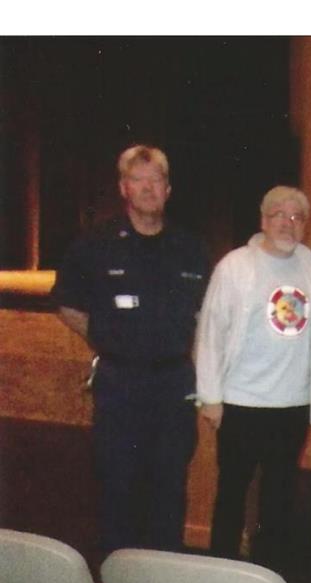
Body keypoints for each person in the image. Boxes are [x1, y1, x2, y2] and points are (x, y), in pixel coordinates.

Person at [52, 144, 209, 555]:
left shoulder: (191, 248)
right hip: (120, 384)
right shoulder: (95, 245)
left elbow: (206, 314)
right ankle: (115, 581)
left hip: (173, 385)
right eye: (138, 180)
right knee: (118, 487)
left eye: (156, 180)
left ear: (168, 189)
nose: (148, 188)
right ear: (123, 188)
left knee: (169, 487)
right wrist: (105, 337)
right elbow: (67, 303)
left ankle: (162, 580)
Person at [195, 185, 311, 574]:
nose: (287, 223)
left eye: (296, 217)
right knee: (232, 492)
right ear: (263, 219)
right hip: (240, 402)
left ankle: (267, 575)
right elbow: (211, 331)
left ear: (305, 225)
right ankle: (222, 571)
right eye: (278, 215)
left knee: (279, 498)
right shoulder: (235, 266)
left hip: (291, 406)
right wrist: (211, 396)